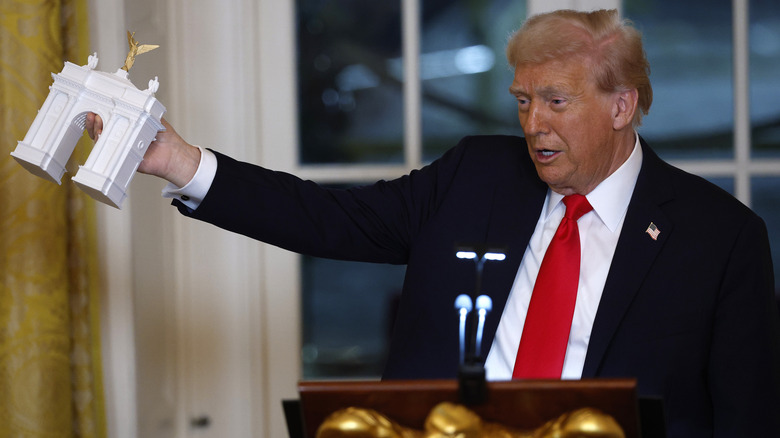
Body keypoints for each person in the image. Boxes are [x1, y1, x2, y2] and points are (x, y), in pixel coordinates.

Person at [86, 8, 780, 437]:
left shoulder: (720, 239)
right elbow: (327, 217)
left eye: (557, 102)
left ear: (622, 105)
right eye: (522, 101)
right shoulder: (477, 175)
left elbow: (747, 422)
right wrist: (179, 160)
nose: (533, 125)